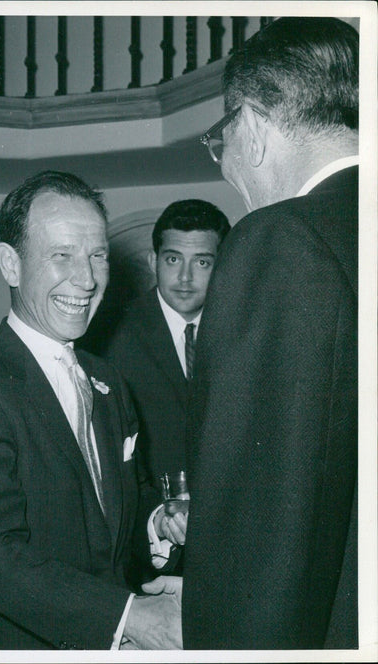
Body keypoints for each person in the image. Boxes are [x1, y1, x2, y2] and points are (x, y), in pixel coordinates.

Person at [0, 170, 182, 650]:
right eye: (62, 255)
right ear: (10, 264)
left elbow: (117, 508)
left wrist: (158, 521)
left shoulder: (108, 382)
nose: (86, 280)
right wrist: (131, 617)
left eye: (97, 256)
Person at [184, 17, 358, 648]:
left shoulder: (279, 239)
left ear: (252, 127)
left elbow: (262, 526)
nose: (227, 165)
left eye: (220, 142)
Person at [107, 200, 229, 494]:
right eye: (173, 260)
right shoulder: (112, 339)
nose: (185, 278)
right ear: (153, 262)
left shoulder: (244, 333)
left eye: (202, 262)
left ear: (223, 266)